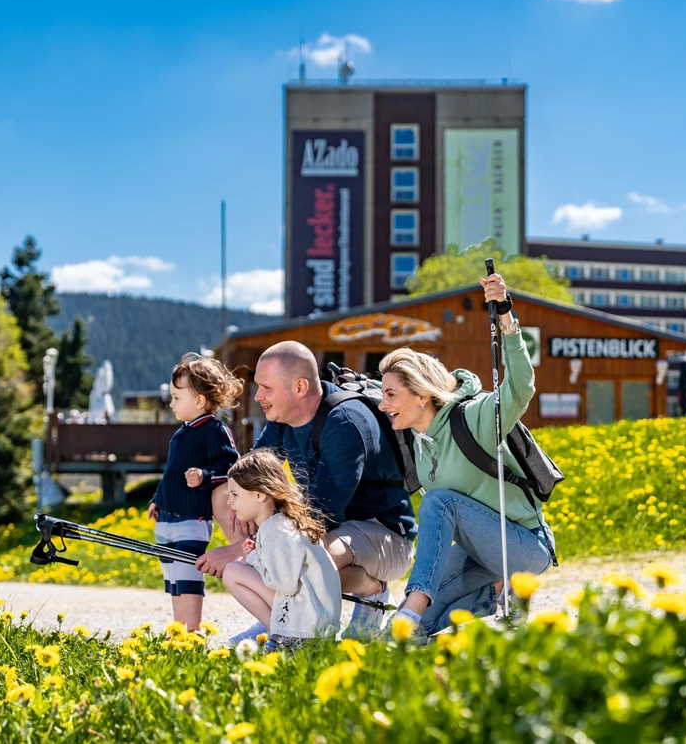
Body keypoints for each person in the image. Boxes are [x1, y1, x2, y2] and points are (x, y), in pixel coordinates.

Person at [199, 340, 417, 643]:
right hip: (325, 528)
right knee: (229, 497)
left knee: (311, 556)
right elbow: (250, 476)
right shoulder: (282, 416)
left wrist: (239, 550)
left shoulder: (345, 422)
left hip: (383, 535)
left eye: (267, 388)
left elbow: (321, 513)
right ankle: (276, 619)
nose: (258, 396)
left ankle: (371, 590)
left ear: (300, 387)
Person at [377, 273, 555, 639]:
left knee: (439, 504)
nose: (383, 404)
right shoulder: (419, 444)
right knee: (414, 624)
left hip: (523, 547)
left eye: (391, 395)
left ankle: (415, 610)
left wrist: (505, 316)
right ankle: (493, 595)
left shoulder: (472, 418)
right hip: (480, 553)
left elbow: (521, 388)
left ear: (421, 395)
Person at [148, 353, 243, 630]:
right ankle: (179, 627)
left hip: (192, 519)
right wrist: (157, 499)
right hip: (167, 518)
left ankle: (193, 628)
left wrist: (205, 476)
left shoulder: (215, 430)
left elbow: (231, 468)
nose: (171, 402)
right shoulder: (180, 434)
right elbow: (171, 474)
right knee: (173, 576)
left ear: (199, 401)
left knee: (188, 574)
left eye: (177, 397)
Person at [221, 449, 342, 650]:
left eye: (235, 494)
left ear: (259, 495)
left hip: (307, 629)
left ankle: (281, 636)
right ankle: (281, 633)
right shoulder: (283, 523)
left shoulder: (274, 529)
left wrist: (253, 559)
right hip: (317, 624)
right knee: (240, 566)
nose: (229, 501)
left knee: (233, 571)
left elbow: (284, 584)